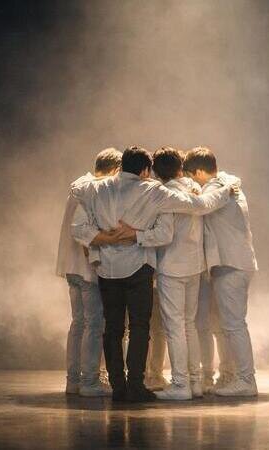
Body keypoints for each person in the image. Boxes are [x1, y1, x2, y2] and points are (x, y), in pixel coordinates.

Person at [71, 146, 235, 402]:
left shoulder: (96, 188)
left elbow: (77, 222)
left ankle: (118, 387)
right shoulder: (153, 191)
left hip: (107, 268)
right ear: (146, 170)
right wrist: (226, 190)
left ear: (122, 166)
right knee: (139, 327)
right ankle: (136, 385)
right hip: (138, 266)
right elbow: (200, 205)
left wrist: (105, 238)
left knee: (112, 328)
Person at [184, 147, 259, 397]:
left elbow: (200, 206)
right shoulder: (226, 182)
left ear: (199, 172)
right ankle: (233, 376)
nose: (192, 182)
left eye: (191, 176)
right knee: (226, 324)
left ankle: (246, 380)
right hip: (232, 264)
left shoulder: (219, 188)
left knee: (234, 325)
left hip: (231, 265)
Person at [56, 148, 120, 397]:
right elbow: (84, 231)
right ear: (115, 169)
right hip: (86, 269)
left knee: (79, 323)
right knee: (94, 325)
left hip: (71, 267)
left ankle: (73, 380)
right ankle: (90, 381)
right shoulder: (93, 189)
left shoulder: (78, 187)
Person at [147, 148, 207, 400]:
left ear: (156, 172)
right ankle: (195, 382)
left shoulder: (165, 195)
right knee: (189, 325)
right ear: (181, 167)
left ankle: (180, 384)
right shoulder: (194, 189)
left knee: (174, 327)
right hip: (194, 265)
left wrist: (137, 236)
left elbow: (164, 235)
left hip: (172, 266)